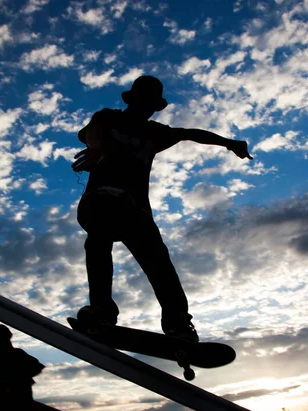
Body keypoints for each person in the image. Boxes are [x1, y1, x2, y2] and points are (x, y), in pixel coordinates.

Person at [72, 75, 252, 342]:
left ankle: (177, 321)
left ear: (155, 107)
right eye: (142, 102)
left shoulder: (156, 133)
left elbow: (191, 134)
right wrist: (98, 149)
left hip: (135, 211)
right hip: (101, 200)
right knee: (98, 239)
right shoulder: (109, 117)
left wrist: (230, 143)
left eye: (150, 105)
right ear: (132, 100)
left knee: (158, 261)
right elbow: (90, 132)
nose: (145, 109)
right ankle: (101, 310)